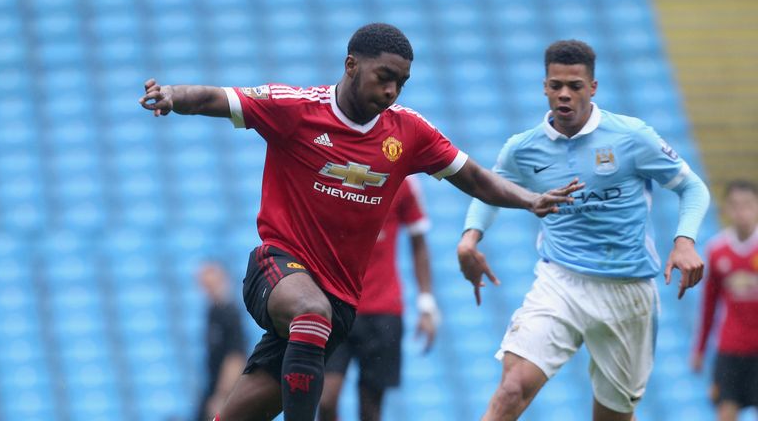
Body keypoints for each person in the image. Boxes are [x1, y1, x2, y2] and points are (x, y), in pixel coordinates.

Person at [139, 23, 582, 421]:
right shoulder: (296, 108)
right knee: (311, 314)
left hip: (340, 307)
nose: (392, 91)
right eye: (384, 77)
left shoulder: (408, 133)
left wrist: (530, 200)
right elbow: (219, 97)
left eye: (401, 83)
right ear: (351, 65)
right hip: (277, 270)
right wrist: (175, 96)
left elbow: (473, 177)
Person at [457, 39, 711, 421]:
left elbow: (692, 187)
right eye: (555, 85)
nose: (564, 94)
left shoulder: (632, 137)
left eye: (574, 86)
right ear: (544, 86)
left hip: (627, 291)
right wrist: (469, 238)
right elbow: (490, 190)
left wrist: (685, 241)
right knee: (511, 390)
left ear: (593, 88)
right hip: (560, 280)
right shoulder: (522, 149)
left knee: (611, 415)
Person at [318, 176, 440, 421]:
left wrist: (426, 304)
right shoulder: (333, 170)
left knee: (370, 409)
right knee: (326, 399)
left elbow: (419, 241)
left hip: (383, 311)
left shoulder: (403, 178)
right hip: (337, 307)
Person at [691, 180, 758, 421]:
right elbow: (709, 304)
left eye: (748, 205)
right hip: (731, 349)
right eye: (736, 205)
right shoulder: (717, 249)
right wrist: (699, 349)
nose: (742, 212)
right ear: (726, 209)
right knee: (726, 412)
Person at [194, 260, 248, 421]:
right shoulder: (212, 311)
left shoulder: (229, 313)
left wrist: (222, 396)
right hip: (213, 386)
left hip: (223, 391)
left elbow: (236, 357)